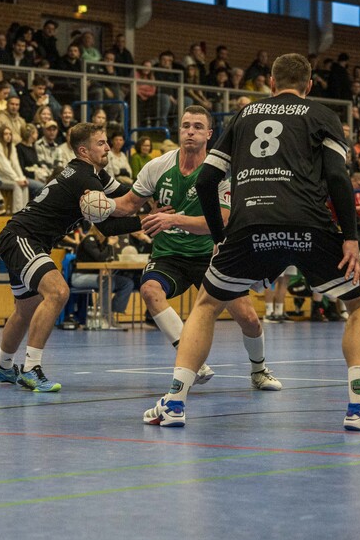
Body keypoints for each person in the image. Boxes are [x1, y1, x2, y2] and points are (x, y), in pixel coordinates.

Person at [135, 53, 360, 431]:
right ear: (309, 86)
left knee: (207, 305)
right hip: (309, 224)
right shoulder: (322, 115)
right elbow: (338, 179)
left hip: (249, 224)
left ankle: (175, 402)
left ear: (272, 84)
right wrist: (351, 238)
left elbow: (207, 180)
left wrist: (220, 237)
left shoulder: (244, 115)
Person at [111, 106, 282, 391]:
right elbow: (128, 205)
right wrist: (98, 204)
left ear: (209, 134)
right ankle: (193, 358)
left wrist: (173, 219)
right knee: (150, 290)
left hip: (211, 255)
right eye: (186, 126)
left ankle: (259, 370)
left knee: (249, 319)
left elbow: (222, 221)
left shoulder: (220, 171)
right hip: (169, 255)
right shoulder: (157, 167)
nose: (190, 131)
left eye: (198, 127)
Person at [0, 122, 136, 392]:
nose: (107, 147)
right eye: (101, 143)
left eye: (106, 142)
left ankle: (2, 366)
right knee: (57, 292)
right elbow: (114, 218)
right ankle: (31, 369)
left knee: (25, 310)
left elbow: (125, 196)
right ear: (84, 151)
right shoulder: (85, 178)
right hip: (23, 238)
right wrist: (151, 219)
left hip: (22, 238)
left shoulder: (95, 175)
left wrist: (151, 196)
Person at [70, 225, 134, 326]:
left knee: (126, 283)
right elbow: (100, 258)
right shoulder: (89, 240)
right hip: (80, 276)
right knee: (107, 281)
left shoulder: (104, 242)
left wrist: (112, 245)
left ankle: (111, 311)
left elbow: (111, 258)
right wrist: (109, 245)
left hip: (98, 277)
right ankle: (104, 316)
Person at [0, 126, 30, 213]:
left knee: (25, 185)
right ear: (1, 135)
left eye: (10, 134)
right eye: (5, 134)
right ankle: (17, 213)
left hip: (9, 177)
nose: (8, 136)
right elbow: (4, 166)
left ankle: (25, 213)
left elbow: (16, 164)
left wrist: (22, 178)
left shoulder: (12, 146)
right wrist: (16, 179)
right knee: (17, 185)